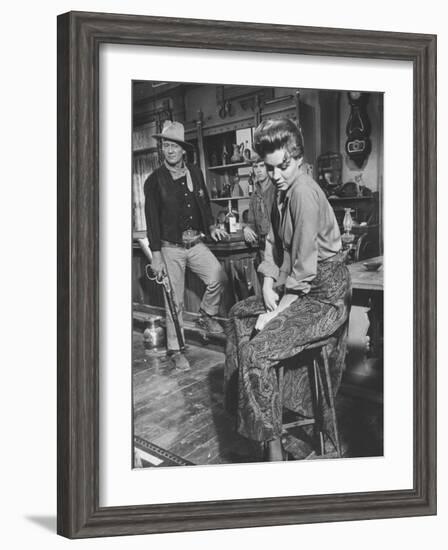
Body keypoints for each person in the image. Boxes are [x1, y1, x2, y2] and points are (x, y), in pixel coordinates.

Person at [225, 118, 351, 461]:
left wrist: (276, 313)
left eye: (283, 166)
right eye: (270, 167)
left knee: (256, 351)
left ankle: (273, 447)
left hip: (325, 295)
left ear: (298, 159)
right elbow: (271, 242)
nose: (277, 174)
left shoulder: (304, 193)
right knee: (238, 314)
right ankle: (250, 417)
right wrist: (267, 281)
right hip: (300, 287)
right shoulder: (278, 191)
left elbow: (305, 273)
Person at [144, 121, 228, 372]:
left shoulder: (195, 172)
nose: (169, 150)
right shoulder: (154, 181)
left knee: (218, 276)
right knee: (174, 301)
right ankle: (176, 349)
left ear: (183, 150)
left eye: (174, 146)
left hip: (195, 242)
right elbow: (152, 221)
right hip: (170, 248)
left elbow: (203, 202)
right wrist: (156, 256)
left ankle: (206, 315)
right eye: (165, 146)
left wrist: (211, 226)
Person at [242, 152, 276, 258]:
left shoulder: (277, 190)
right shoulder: (254, 195)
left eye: (262, 166)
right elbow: (251, 222)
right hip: (262, 248)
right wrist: (246, 228)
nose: (259, 170)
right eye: (255, 167)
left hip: (278, 247)